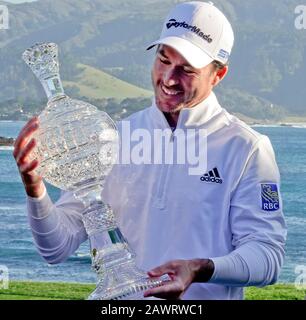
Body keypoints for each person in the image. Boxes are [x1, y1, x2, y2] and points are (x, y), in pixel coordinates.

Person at [13, 1, 286, 300]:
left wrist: (201, 268)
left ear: (218, 75)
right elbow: (56, 247)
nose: (168, 79)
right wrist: (35, 188)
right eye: (163, 59)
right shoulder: (114, 137)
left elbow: (267, 258)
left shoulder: (246, 148)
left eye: (186, 69)